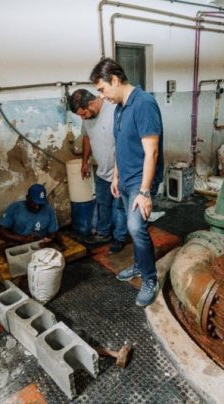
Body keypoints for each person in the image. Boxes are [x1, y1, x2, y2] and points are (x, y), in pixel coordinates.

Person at [90, 58, 164, 307]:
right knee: (134, 229)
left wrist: (145, 192)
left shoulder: (144, 104)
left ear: (114, 80)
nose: (102, 96)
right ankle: (139, 264)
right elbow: (120, 145)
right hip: (125, 178)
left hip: (140, 181)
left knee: (136, 227)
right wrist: (116, 176)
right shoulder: (120, 107)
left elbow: (152, 152)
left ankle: (150, 279)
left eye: (102, 89)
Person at [68, 89, 129, 254]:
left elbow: (125, 141)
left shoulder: (115, 110)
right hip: (102, 170)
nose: (83, 118)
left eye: (83, 114)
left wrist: (120, 173)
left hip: (120, 172)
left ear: (91, 103)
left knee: (120, 207)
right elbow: (87, 137)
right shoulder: (87, 118)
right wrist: (84, 161)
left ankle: (120, 238)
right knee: (103, 204)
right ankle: (103, 233)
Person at [0, 183, 65, 250]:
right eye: (34, 203)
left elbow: (53, 233)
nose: (37, 207)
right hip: (18, 245)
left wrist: (48, 239)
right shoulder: (15, 208)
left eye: (40, 204)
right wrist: (22, 238)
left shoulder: (48, 210)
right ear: (27, 198)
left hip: (40, 245)